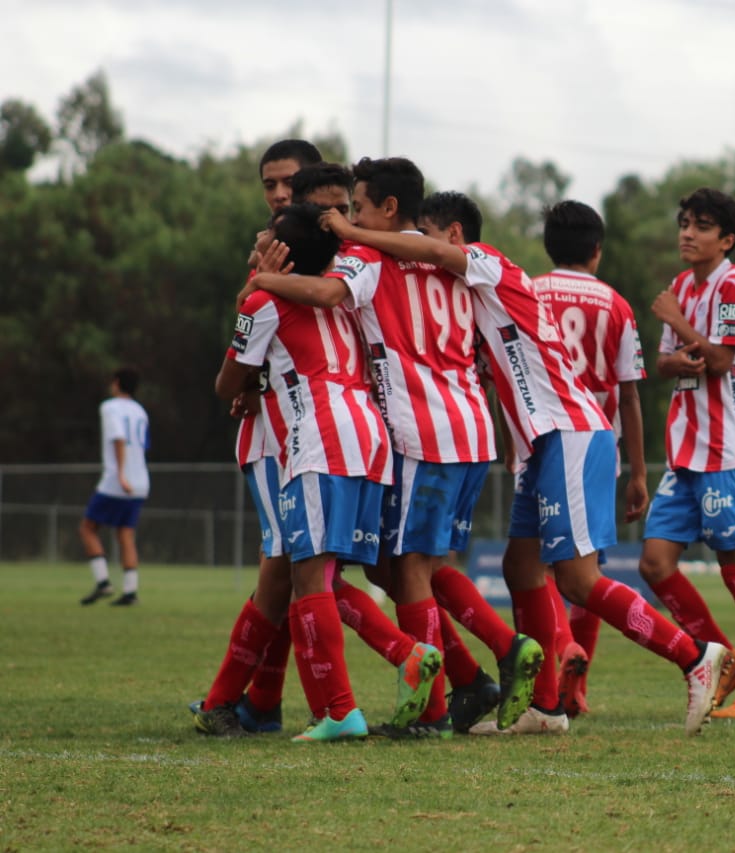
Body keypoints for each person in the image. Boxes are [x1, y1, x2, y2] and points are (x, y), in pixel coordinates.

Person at [318, 190, 727, 737]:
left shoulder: (490, 263)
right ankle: (546, 708)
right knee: (519, 568)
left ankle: (694, 655)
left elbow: (435, 259)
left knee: (578, 580)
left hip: (571, 429)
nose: (418, 257)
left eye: (429, 242)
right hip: (543, 441)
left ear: (456, 237)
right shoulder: (466, 297)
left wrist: (355, 233)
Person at [247, 158, 543, 738]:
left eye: (355, 207)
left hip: (419, 429)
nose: (347, 218)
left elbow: (330, 293)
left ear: (385, 209)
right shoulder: (450, 256)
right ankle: (498, 656)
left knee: (406, 570)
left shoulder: (370, 255)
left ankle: (432, 709)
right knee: (417, 565)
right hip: (472, 427)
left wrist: (261, 279)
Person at [216, 202, 438, 742]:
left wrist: (252, 287)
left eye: (267, 237)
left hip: (318, 438)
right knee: (321, 576)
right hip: (369, 438)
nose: (260, 239)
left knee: (309, 577)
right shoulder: (344, 295)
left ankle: (341, 710)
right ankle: (399, 658)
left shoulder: (265, 299)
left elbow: (227, 384)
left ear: (280, 253)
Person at [189, 140, 324, 735]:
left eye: (288, 183)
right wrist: (250, 376)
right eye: (269, 184)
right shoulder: (270, 252)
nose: (277, 194)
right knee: (289, 565)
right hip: (274, 431)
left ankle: (247, 701)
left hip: (315, 432)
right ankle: (259, 703)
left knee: (294, 569)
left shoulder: (332, 253)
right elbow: (249, 328)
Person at [637, 187, 735, 720]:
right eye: (684, 223)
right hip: (686, 450)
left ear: (726, 240)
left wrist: (679, 325)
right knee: (654, 563)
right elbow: (665, 365)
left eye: (700, 226)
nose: (686, 233)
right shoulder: (680, 285)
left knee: (734, 563)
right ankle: (727, 663)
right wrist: (682, 352)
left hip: (728, 449)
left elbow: (720, 359)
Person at [531, 200, 649, 719]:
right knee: (589, 569)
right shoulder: (618, 305)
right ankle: (576, 691)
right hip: (599, 447)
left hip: (542, 441)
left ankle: (558, 658)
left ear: (548, 246)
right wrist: (640, 471)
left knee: (535, 566)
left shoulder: (528, 293)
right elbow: (629, 396)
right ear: (597, 251)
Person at [79, 367, 150, 607]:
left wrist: (120, 474)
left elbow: (118, 438)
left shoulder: (109, 407)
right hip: (140, 481)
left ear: (117, 383)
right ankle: (130, 591)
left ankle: (103, 582)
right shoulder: (141, 411)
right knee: (125, 534)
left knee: (88, 528)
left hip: (118, 480)